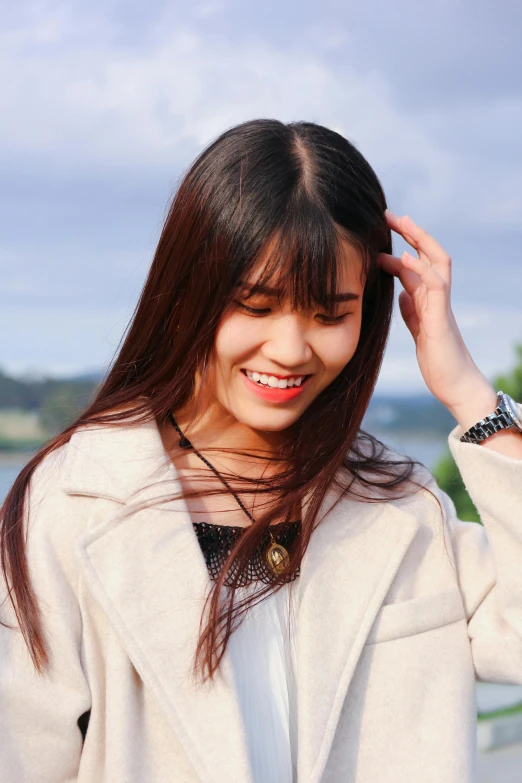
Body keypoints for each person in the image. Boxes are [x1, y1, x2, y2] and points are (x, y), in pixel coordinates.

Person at [1, 119, 522, 783]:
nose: (290, 349)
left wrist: (471, 395)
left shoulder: (398, 504)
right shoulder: (74, 503)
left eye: (331, 314)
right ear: (190, 291)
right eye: (255, 304)